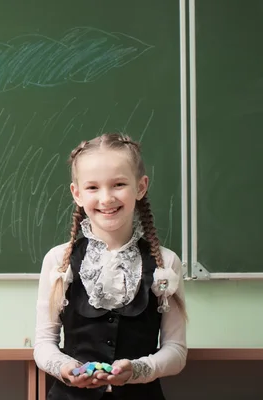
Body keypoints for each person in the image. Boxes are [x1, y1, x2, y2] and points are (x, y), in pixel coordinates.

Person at [33, 133, 187, 400]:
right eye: (93, 188)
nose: (106, 198)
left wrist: (138, 370)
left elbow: (176, 351)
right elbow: (44, 344)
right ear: (77, 194)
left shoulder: (166, 263)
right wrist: (66, 368)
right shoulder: (58, 261)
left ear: (141, 187)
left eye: (118, 184)